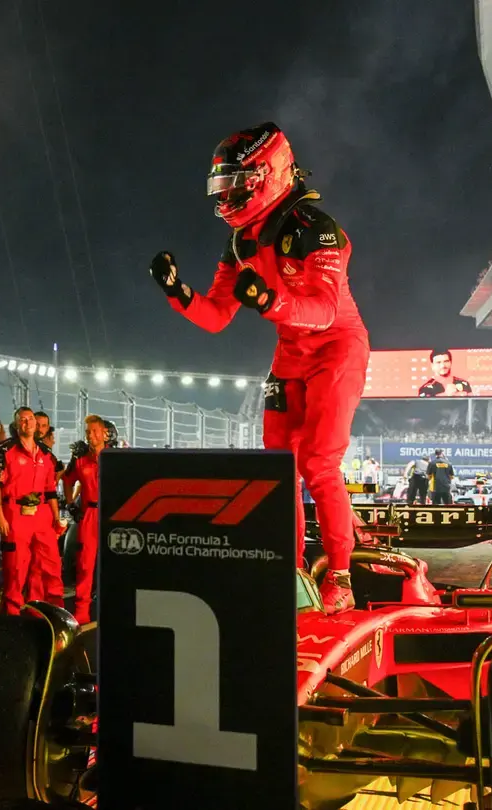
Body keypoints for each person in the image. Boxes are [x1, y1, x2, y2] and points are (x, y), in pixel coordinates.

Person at [151, 122, 368, 612]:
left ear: (264, 177)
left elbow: (325, 312)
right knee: (279, 466)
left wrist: (271, 301)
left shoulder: (318, 231)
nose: (226, 198)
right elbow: (216, 316)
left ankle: (340, 576)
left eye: (234, 186)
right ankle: (287, 572)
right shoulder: (239, 244)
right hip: (291, 353)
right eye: (222, 188)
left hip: (337, 348)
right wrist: (175, 290)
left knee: (318, 461)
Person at [0, 407, 64, 615]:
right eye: (22, 420)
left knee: (50, 566)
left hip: (41, 515)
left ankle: (53, 614)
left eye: (30, 419)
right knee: (15, 569)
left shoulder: (46, 454)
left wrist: (57, 518)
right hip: (14, 513)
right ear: (16, 425)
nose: (28, 423)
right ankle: (12, 618)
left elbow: (50, 490)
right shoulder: (5, 451)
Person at [64, 415, 107, 624]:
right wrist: (70, 503)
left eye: (95, 431)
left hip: (110, 515)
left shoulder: (115, 456)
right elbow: (66, 479)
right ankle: (82, 611)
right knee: (84, 564)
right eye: (88, 431)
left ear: (104, 432)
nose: (91, 435)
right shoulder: (80, 460)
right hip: (89, 514)